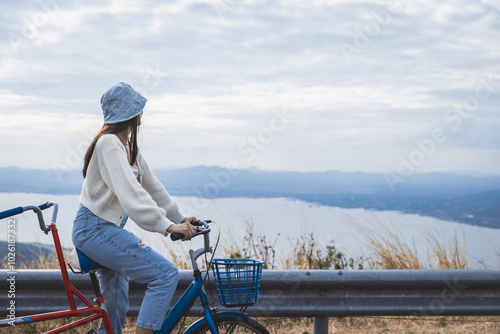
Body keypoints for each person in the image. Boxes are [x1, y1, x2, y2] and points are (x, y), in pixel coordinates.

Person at [72, 82, 198, 334]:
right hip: (94, 229)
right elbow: (131, 194)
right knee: (165, 275)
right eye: (139, 108)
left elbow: (153, 188)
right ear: (131, 114)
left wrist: (180, 217)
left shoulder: (128, 147)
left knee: (116, 304)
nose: (142, 113)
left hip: (105, 229)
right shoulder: (108, 144)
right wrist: (167, 226)